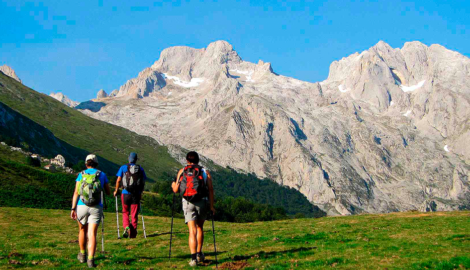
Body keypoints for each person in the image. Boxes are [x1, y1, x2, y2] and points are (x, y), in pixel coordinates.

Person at [172, 151, 215, 267]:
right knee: (200, 227)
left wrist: (172, 184)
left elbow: (176, 190)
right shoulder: (205, 172)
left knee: (192, 231)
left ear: (187, 161)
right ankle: (199, 254)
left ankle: (193, 259)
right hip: (202, 202)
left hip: (188, 202)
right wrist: (211, 206)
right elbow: (210, 189)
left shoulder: (182, 171)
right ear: (198, 160)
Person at [71, 154, 110, 268]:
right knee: (92, 233)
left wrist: (73, 208)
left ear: (86, 163)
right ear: (96, 163)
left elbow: (76, 192)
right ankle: (90, 260)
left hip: (81, 205)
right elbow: (107, 192)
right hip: (96, 206)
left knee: (82, 230)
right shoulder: (102, 175)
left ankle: (82, 254)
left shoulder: (81, 175)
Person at [113, 152, 147, 238]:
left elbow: (118, 180)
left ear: (129, 158)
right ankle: (133, 232)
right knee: (134, 213)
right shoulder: (140, 169)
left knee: (125, 212)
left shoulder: (123, 167)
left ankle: (126, 227)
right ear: (136, 160)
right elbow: (143, 182)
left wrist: (116, 190)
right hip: (136, 194)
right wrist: (141, 192)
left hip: (125, 193)